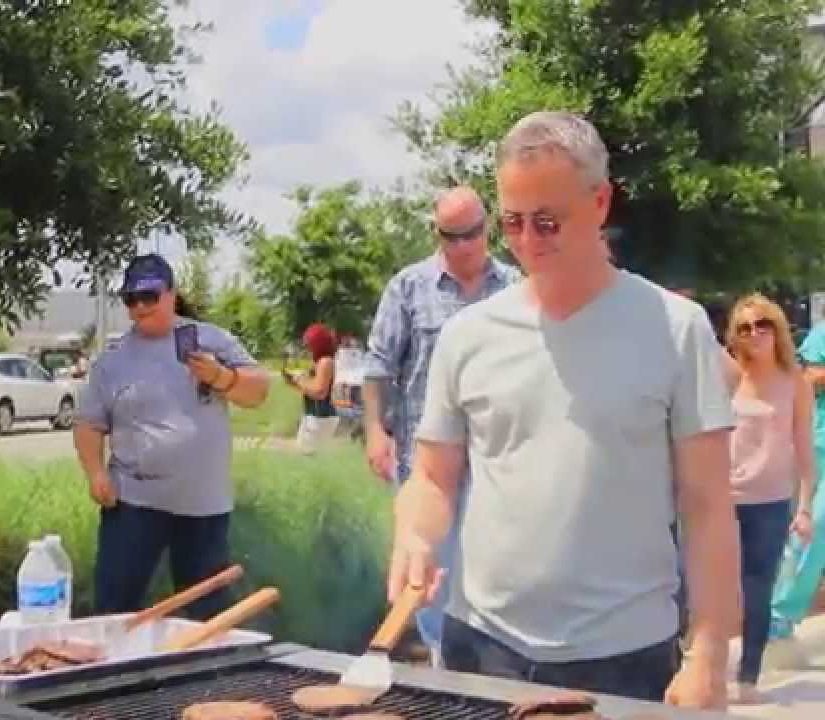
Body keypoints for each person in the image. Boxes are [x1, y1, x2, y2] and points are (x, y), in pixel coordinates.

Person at [389, 111, 738, 709]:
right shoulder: (468, 335)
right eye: (513, 222)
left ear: (600, 202)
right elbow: (432, 476)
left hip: (624, 658)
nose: (527, 241)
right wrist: (414, 533)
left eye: (547, 221)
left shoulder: (676, 331)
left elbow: (708, 506)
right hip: (482, 647)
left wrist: (708, 651)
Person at [362, 185, 520, 666]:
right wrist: (374, 430)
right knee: (431, 575)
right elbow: (379, 365)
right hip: (428, 463)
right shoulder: (409, 287)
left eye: (472, 233)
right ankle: (441, 669)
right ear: (437, 234)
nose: (464, 245)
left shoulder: (515, 287)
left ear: (487, 228)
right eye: (453, 236)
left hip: (498, 460)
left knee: (496, 575)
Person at [74, 253, 269, 618]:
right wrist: (95, 473)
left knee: (205, 613)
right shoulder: (112, 360)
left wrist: (220, 377)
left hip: (204, 504)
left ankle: (197, 675)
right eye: (131, 299)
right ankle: (119, 674)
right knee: (116, 609)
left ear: (171, 294)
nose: (140, 307)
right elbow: (88, 424)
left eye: (149, 296)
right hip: (133, 502)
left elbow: (258, 392)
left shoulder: (210, 340)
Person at [720, 294, 815, 703]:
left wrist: (806, 507)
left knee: (757, 590)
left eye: (762, 324)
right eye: (744, 327)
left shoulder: (795, 383)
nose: (754, 333)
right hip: (721, 499)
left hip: (771, 502)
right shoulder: (727, 375)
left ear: (776, 329)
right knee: (706, 587)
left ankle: (747, 677)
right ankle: (699, 665)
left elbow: (804, 450)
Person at [769, 320, 825, 645]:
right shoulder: (821, 334)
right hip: (818, 446)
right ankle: (780, 616)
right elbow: (808, 377)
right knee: (814, 526)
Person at [283, 323, 339, 454]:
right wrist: (294, 382)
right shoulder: (320, 362)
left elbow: (319, 392)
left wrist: (299, 380)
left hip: (322, 419)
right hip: (314, 417)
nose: (307, 347)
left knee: (307, 456)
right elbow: (311, 390)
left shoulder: (325, 362)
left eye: (309, 343)